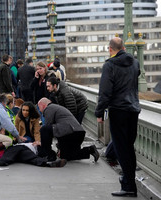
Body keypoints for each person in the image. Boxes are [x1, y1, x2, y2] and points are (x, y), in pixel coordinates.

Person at [95, 37, 141, 197]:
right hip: (133, 109)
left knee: (122, 149)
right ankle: (129, 182)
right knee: (129, 147)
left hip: (118, 110)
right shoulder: (135, 63)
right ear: (123, 47)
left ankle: (128, 185)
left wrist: (99, 112)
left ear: (110, 49)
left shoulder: (110, 65)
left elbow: (105, 91)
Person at [38, 98, 99, 162]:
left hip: (69, 133)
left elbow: (48, 127)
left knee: (44, 129)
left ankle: (48, 155)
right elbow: (59, 129)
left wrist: (42, 144)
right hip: (78, 133)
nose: (40, 110)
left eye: (39, 108)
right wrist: (60, 148)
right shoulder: (58, 108)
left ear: (43, 105)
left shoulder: (49, 108)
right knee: (66, 156)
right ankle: (90, 150)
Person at [0, 141, 67, 168]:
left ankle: (48, 163)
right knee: (8, 158)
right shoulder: (33, 145)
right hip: (18, 147)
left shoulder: (38, 150)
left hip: (24, 152)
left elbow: (50, 153)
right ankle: (47, 163)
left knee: (32, 158)